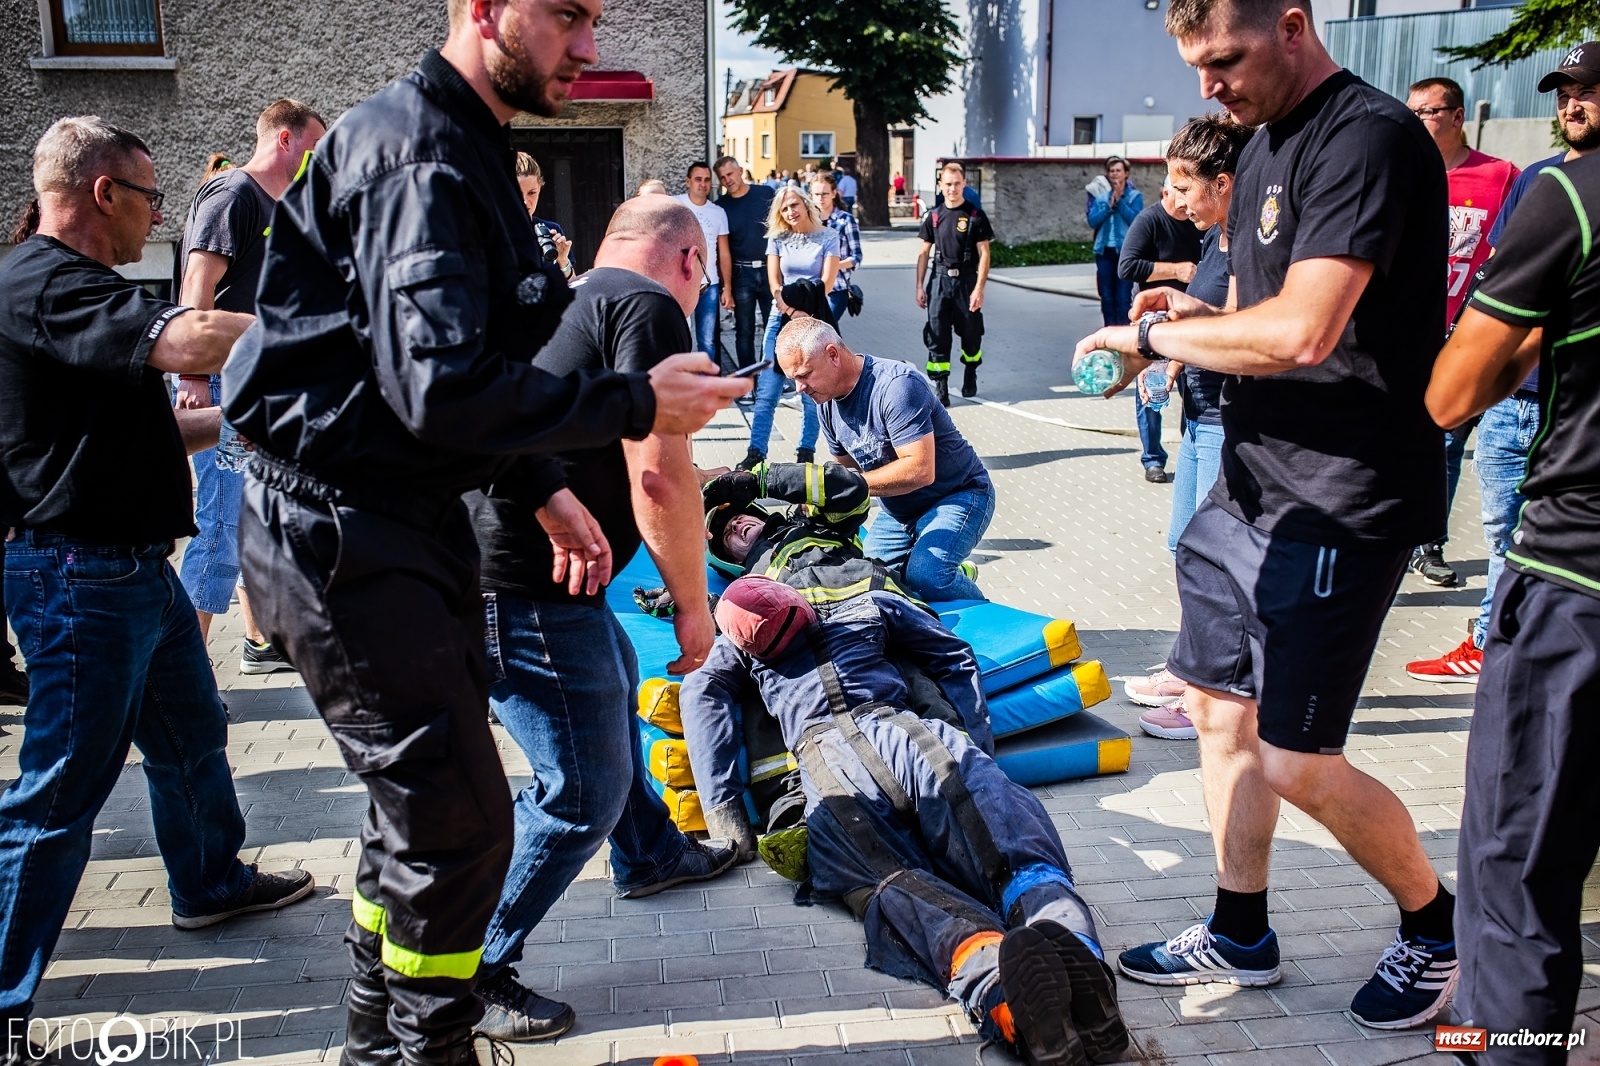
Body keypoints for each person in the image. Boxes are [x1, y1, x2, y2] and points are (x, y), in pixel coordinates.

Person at [221, 0, 753, 1059]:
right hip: (344, 532)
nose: (591, 45)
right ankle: (421, 1046)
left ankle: (382, 1032)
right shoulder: (419, 154)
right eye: (567, 15)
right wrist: (636, 403)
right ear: (483, 10)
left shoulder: (468, 145)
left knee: (418, 815)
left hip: (399, 524)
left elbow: (491, 365)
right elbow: (439, 391)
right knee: (456, 819)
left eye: (595, 17)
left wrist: (547, 480)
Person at [1073, 0, 1459, 1029]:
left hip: (1340, 496)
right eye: (1196, 65)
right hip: (1246, 485)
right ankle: (1240, 927)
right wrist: (1187, 316)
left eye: (1226, 58)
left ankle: (1436, 927)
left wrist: (1154, 348)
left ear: (1292, 24)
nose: (1209, 85)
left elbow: (1302, 330)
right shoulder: (1263, 141)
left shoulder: (1367, 137)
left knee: (1296, 757)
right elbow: (1256, 299)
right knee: (1216, 711)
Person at [0, 117, 317, 1064]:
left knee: (190, 732)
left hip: (130, 569)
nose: (161, 219)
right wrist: (338, 333)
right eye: (150, 198)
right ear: (103, 194)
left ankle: (210, 882)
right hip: (78, 576)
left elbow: (139, 435)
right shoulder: (45, 281)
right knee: (59, 795)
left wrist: (243, 423)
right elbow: (193, 341)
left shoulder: (83, 293)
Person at [466, 198, 741, 1043]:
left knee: (616, 688)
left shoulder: (581, 298)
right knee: (580, 790)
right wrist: (696, 608)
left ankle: (654, 854)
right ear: (692, 262)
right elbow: (658, 476)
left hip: (520, 576)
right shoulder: (650, 308)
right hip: (528, 585)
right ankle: (467, 970)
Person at [680, 577, 1129, 1066]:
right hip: (914, 740)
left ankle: (1000, 992)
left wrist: (728, 823)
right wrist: (975, 744)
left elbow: (702, 697)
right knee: (1009, 845)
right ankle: (1076, 950)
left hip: (833, 773)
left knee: (890, 884)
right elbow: (953, 655)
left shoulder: (740, 651)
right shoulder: (867, 606)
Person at [1423, 131, 1600, 1066]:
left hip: (1577, 580)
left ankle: (1502, 1043)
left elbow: (1452, 394)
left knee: (1517, 858)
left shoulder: (1568, 196)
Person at [1403, 49, 1600, 685]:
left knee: (1531, 543)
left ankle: (1503, 650)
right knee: (1504, 535)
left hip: (1568, 407)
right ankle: (1498, 642)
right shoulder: (1542, 181)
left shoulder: (1522, 180)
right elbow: (1502, 282)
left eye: (1589, 90)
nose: (1573, 103)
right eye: (1564, 92)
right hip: (1515, 399)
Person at [173, 99, 326, 674]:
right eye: (313, 150)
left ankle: (261, 641)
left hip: (260, 385)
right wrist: (192, 376)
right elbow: (197, 282)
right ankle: (182, 672)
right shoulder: (233, 194)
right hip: (217, 383)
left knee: (255, 522)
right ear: (285, 140)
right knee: (219, 531)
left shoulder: (279, 204)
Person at [1125, 114, 1253, 743]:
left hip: (1233, 423)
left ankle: (1211, 695)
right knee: (1185, 545)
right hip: (1200, 415)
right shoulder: (1212, 241)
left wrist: (1149, 337)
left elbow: (1241, 326)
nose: (1172, 199)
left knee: (1216, 559)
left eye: (1183, 184)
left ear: (1223, 183)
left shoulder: (1254, 244)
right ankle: (1190, 669)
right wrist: (1166, 359)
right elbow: (1205, 313)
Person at [1398, 78, 1520, 591]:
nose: (1418, 121)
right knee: (1428, 443)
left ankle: (1426, 544)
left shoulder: (1500, 176)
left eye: (1428, 111)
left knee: (1457, 444)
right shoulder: (1400, 175)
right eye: (1413, 112)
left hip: (1478, 337)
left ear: (1457, 116)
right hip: (1414, 335)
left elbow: (1515, 251)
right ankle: (1414, 540)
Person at [779, 318, 994, 604]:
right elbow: (848, 473)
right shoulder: (827, 403)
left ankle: (986, 624)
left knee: (927, 576)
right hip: (900, 510)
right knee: (867, 580)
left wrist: (839, 485)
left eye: (804, 374)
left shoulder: (896, 385)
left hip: (958, 495)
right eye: (792, 378)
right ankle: (949, 578)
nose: (799, 388)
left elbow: (919, 469)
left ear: (833, 355)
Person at [741, 186, 839, 468]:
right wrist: (791, 310)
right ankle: (756, 452)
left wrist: (804, 315)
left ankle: (806, 452)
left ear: (806, 204)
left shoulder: (828, 237)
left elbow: (827, 283)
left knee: (811, 389)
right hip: (779, 317)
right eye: (784, 209)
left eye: (794, 205)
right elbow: (774, 283)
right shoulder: (778, 238)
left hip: (815, 319)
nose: (790, 212)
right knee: (768, 390)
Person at [1118, 181, 1202, 484]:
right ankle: (1153, 458)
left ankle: (1191, 448)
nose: (1185, 204)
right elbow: (1127, 267)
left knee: (1191, 385)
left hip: (1192, 318)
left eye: (1188, 194)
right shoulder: (1149, 221)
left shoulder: (1200, 220)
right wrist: (1175, 270)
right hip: (1153, 323)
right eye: (1180, 195)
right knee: (1151, 390)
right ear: (1166, 193)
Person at [914, 162, 993, 405]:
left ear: (964, 184)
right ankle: (941, 386)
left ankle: (970, 372)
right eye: (948, 184)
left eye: (957, 184)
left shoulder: (975, 216)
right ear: (940, 185)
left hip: (967, 283)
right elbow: (924, 252)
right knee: (937, 335)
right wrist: (919, 285)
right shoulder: (934, 216)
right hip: (938, 281)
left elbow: (985, 254)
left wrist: (979, 288)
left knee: (971, 334)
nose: (952, 188)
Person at [714, 155, 778, 375]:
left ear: (740, 171)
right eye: (722, 178)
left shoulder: (766, 194)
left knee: (775, 327)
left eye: (730, 174)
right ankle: (748, 381)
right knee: (745, 330)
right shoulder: (720, 207)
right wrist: (727, 288)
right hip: (741, 274)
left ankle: (772, 378)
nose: (727, 180)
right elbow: (722, 250)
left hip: (770, 270)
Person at [673, 161, 732, 361]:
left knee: (707, 341)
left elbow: (724, 253)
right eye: (698, 179)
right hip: (680, 284)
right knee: (680, 338)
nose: (703, 184)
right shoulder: (675, 205)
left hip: (709, 285)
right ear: (688, 181)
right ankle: (683, 384)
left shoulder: (718, 212)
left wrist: (728, 288)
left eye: (707, 180)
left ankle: (707, 388)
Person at [1086, 156, 1143, 334]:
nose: (1114, 174)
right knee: (1107, 296)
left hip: (1125, 253)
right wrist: (1108, 206)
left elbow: (1135, 220)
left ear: (1126, 174)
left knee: (1123, 297)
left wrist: (1120, 202)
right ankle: (1109, 332)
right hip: (1104, 252)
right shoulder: (1101, 198)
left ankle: (1124, 333)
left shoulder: (1135, 196)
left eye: (1118, 170)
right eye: (1111, 171)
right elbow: (1092, 221)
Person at [811, 172, 862, 325]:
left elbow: (857, 257)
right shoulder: (809, 221)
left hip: (837, 288)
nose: (821, 198)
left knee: (824, 327)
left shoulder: (845, 220)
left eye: (825, 194)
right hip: (812, 287)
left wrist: (833, 266)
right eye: (817, 194)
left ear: (834, 193)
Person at [515, 152, 575, 279]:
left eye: (532, 193)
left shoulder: (550, 230)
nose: (525, 202)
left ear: (540, 189)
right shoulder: (490, 232)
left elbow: (573, 285)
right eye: (518, 193)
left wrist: (563, 261)